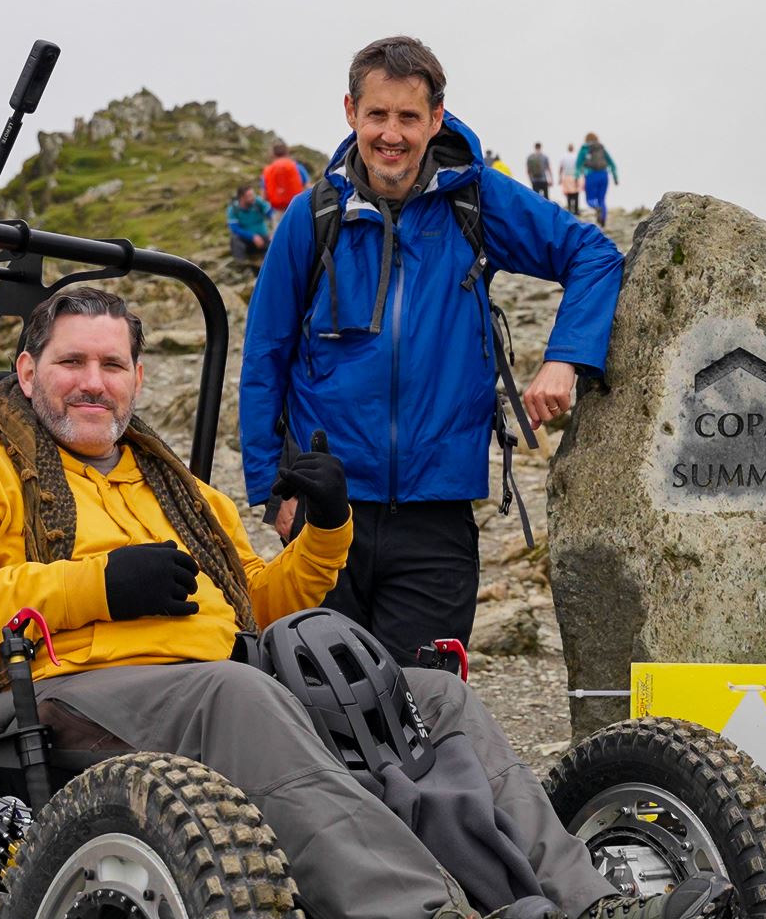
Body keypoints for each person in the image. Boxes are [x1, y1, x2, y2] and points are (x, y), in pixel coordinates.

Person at [0, 288, 732, 919]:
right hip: (44, 702)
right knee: (239, 695)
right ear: (28, 373)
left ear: (137, 377)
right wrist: (94, 585)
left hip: (202, 686)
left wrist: (325, 528)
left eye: (111, 365)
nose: (92, 383)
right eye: (71, 362)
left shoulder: (176, 491)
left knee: (430, 697)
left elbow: (255, 602)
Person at [240, 36, 624, 662]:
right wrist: (272, 491)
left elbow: (594, 254)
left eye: (408, 117)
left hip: (437, 514)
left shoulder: (476, 200)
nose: (392, 134)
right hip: (327, 510)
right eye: (378, 115)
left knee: (427, 709)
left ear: (436, 119)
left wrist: (565, 359)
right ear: (350, 113)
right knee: (322, 708)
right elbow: (264, 357)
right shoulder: (313, 218)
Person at [573, 134, 618, 228]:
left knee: (590, 199)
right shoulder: (601, 148)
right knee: (602, 199)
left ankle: (596, 208)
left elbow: (578, 166)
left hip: (591, 176)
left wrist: (576, 178)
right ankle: (603, 223)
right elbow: (612, 163)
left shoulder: (584, 149)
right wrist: (615, 177)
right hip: (604, 175)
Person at [263, 140, 308, 233]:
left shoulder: (268, 170)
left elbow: (264, 196)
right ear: (287, 152)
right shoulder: (297, 167)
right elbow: (308, 188)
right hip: (297, 209)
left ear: (273, 154)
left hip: (278, 212)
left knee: (280, 238)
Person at [227, 184, 273, 261]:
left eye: (253, 194)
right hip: (247, 240)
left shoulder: (258, 202)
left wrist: (274, 231)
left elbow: (272, 215)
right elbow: (235, 229)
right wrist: (252, 236)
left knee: (273, 243)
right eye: (250, 196)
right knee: (234, 239)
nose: (253, 197)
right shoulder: (233, 209)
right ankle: (241, 263)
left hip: (263, 238)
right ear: (242, 198)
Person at [556, 142, 582, 217]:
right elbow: (579, 167)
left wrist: (560, 178)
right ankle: (576, 210)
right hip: (574, 176)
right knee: (576, 194)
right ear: (573, 148)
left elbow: (561, 168)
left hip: (567, 176)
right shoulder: (576, 156)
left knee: (569, 194)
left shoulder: (564, 156)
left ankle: (570, 209)